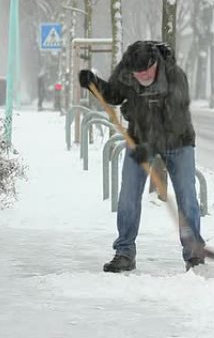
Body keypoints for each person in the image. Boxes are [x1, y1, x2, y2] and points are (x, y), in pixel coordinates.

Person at [78, 40, 206, 273]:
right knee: (127, 194)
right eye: (139, 73)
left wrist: (151, 144)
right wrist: (94, 84)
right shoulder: (126, 72)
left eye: (147, 70)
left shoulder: (174, 76)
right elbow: (115, 96)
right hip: (138, 139)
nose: (144, 75)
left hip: (177, 140)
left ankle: (194, 253)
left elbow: (175, 119)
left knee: (187, 195)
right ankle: (125, 251)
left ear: (155, 62)